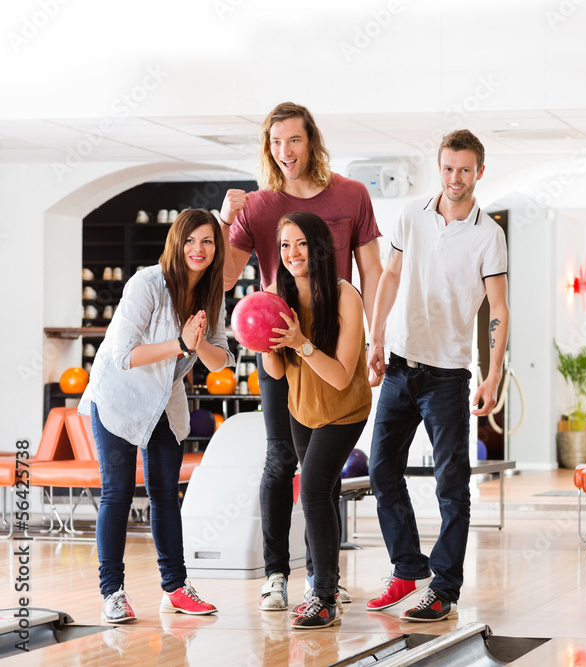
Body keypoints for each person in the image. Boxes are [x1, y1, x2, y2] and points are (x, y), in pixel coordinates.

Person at [218, 102, 382, 612]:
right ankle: (275, 574)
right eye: (275, 142)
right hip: (279, 342)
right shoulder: (259, 206)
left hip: (333, 340)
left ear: (311, 140)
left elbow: (372, 271)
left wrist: (376, 341)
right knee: (282, 460)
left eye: (294, 140)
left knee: (320, 470)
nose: (285, 152)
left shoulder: (352, 194)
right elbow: (223, 277)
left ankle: (322, 575)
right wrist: (226, 221)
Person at [364, 129, 509, 622]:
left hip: (448, 375)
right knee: (381, 469)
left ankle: (443, 588)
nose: (454, 178)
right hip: (401, 365)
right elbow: (389, 276)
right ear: (439, 167)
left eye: (464, 169)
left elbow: (499, 308)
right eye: (448, 168)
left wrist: (492, 377)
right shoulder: (410, 216)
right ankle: (408, 566)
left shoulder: (490, 235)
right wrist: (376, 338)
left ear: (479, 172)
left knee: (452, 486)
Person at [79, 208, 234, 623]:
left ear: (216, 248)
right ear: (176, 243)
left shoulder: (211, 293)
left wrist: (198, 343)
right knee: (118, 494)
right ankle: (112, 592)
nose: (197, 249)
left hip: (165, 400)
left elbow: (220, 361)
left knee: (166, 495)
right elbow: (123, 356)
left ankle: (176, 588)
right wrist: (181, 343)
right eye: (189, 240)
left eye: (207, 241)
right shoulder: (147, 283)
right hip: (118, 396)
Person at [260, 212, 372, 629]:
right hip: (302, 409)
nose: (292, 254)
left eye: (302, 244)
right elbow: (274, 373)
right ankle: (328, 587)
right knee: (320, 494)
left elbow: (342, 376)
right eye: (285, 246)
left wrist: (299, 342)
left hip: (345, 410)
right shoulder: (276, 294)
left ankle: (323, 595)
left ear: (320, 247)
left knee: (311, 491)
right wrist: (264, 341)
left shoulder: (345, 296)